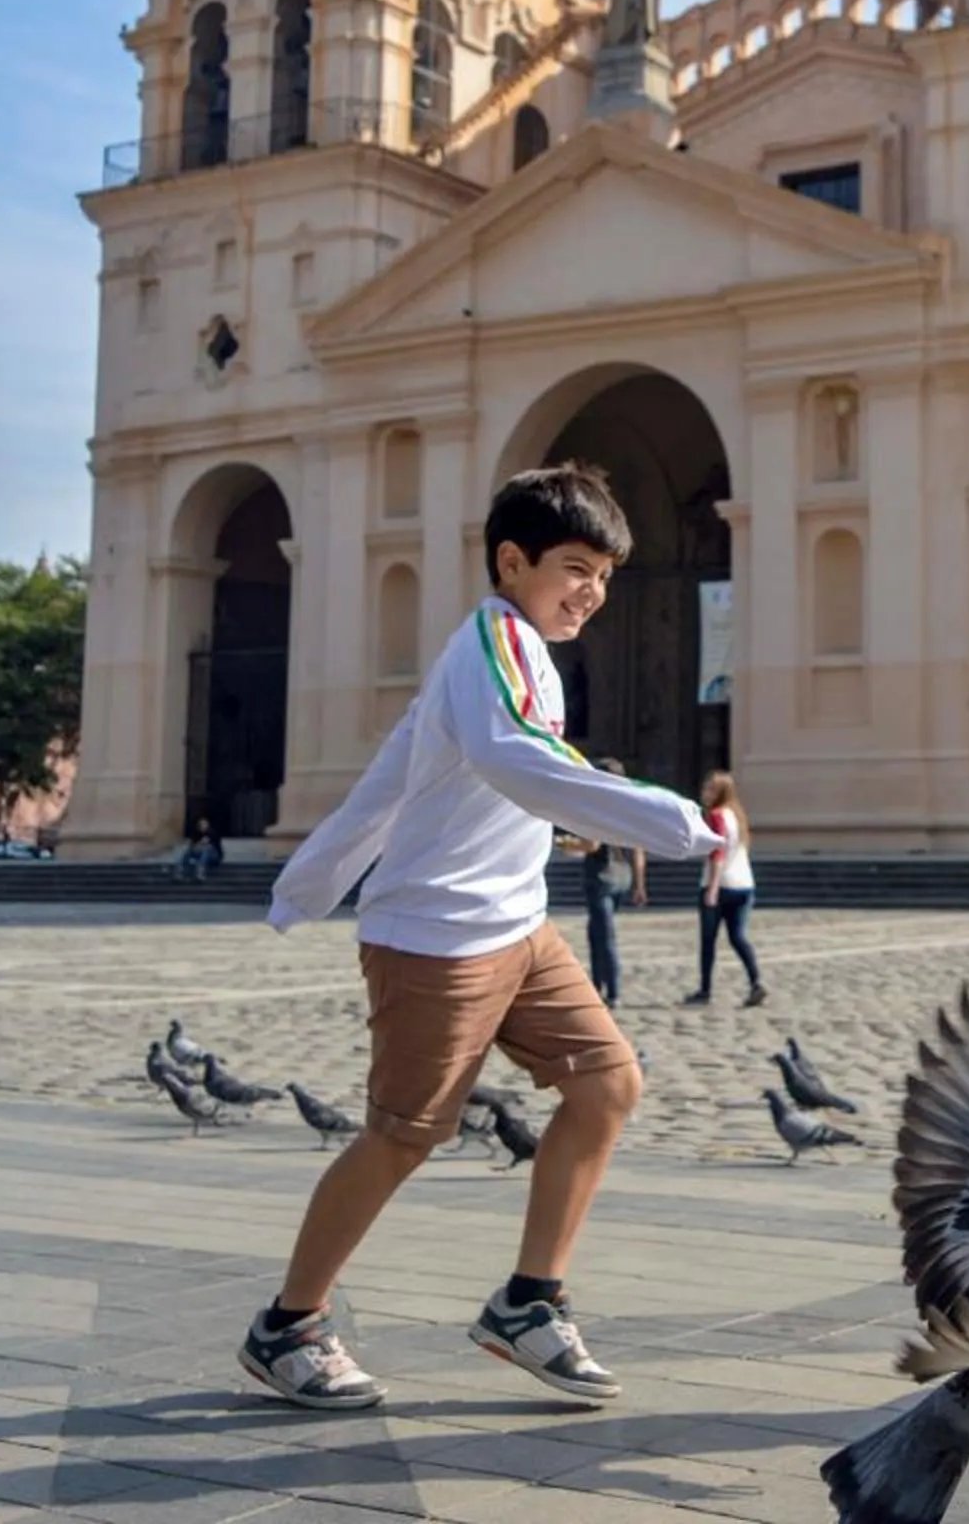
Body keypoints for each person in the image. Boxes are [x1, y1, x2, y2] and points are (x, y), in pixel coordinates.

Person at [248, 462, 724, 1410]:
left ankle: (529, 1301)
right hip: (439, 937)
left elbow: (412, 777)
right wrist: (661, 818)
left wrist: (312, 877)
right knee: (400, 1136)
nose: (590, 592)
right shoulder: (493, 642)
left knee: (607, 1082)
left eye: (605, 576)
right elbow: (517, 757)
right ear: (513, 562)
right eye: (575, 568)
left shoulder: (523, 651)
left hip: (517, 927)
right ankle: (288, 1325)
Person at [567, 760, 647, 1008]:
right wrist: (640, 884)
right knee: (597, 933)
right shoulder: (629, 808)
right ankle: (598, 986)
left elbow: (591, 845)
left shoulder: (597, 806)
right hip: (623, 878)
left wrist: (564, 843)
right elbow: (638, 849)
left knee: (604, 937)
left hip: (601, 877)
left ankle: (613, 992)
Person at [682, 769, 763, 1008]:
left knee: (708, 940)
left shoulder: (716, 815)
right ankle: (756, 981)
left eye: (710, 788)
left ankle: (705, 990)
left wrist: (712, 889)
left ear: (720, 793)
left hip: (720, 884)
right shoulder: (737, 816)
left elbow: (717, 852)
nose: (704, 792)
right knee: (738, 936)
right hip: (744, 884)